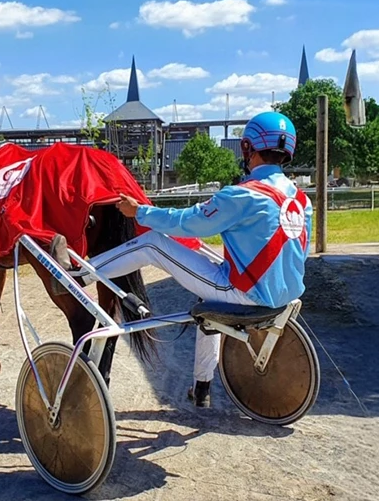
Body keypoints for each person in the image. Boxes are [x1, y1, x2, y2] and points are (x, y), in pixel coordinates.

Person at [54, 111, 313, 407]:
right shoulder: (302, 201)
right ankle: (201, 387)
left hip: (243, 295)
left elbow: (188, 223)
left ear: (247, 148)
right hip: (283, 299)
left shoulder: (243, 196)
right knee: (209, 308)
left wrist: (139, 212)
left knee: (153, 243)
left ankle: (76, 276)